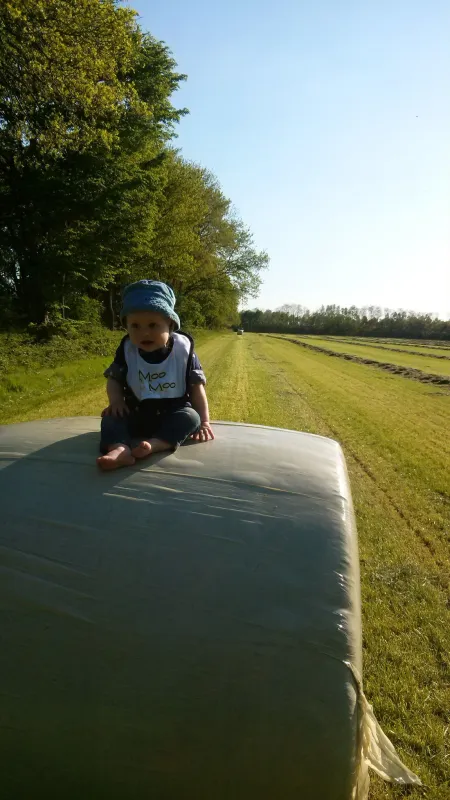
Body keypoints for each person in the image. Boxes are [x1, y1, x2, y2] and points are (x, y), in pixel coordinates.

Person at [97, 280, 214, 471]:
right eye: (135, 325)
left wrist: (205, 422)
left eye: (153, 325)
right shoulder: (128, 351)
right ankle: (119, 449)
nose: (144, 333)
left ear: (170, 324)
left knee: (191, 417)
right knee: (110, 417)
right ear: (126, 325)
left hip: (172, 414)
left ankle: (156, 444)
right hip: (136, 413)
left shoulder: (183, 352)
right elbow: (114, 379)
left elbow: (196, 387)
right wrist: (116, 401)